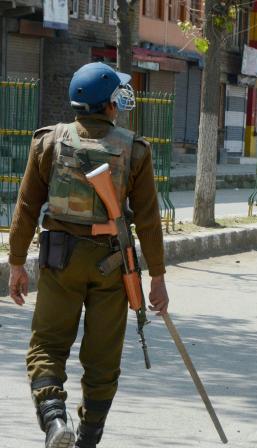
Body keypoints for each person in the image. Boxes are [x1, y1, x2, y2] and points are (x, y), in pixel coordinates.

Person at [7, 62, 169, 448]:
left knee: (46, 345)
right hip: (111, 265)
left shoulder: (48, 142)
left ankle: (54, 421)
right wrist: (158, 277)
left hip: (59, 259)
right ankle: (88, 438)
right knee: (102, 356)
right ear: (110, 105)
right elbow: (147, 220)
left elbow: (27, 206)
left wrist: (16, 264)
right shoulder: (135, 149)